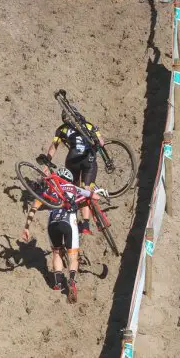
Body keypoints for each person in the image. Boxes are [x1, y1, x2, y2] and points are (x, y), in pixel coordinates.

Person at [21, 167, 86, 303]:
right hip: (69, 222)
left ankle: (58, 283)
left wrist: (26, 227)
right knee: (73, 255)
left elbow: (34, 208)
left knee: (57, 252)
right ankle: (72, 280)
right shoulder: (73, 188)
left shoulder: (49, 190)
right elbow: (88, 198)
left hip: (53, 223)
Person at [44, 109, 104, 234]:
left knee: (76, 191)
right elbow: (102, 143)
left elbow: (54, 145)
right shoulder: (88, 125)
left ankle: (74, 220)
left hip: (72, 161)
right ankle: (86, 225)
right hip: (89, 161)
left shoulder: (62, 129)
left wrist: (47, 162)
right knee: (86, 189)